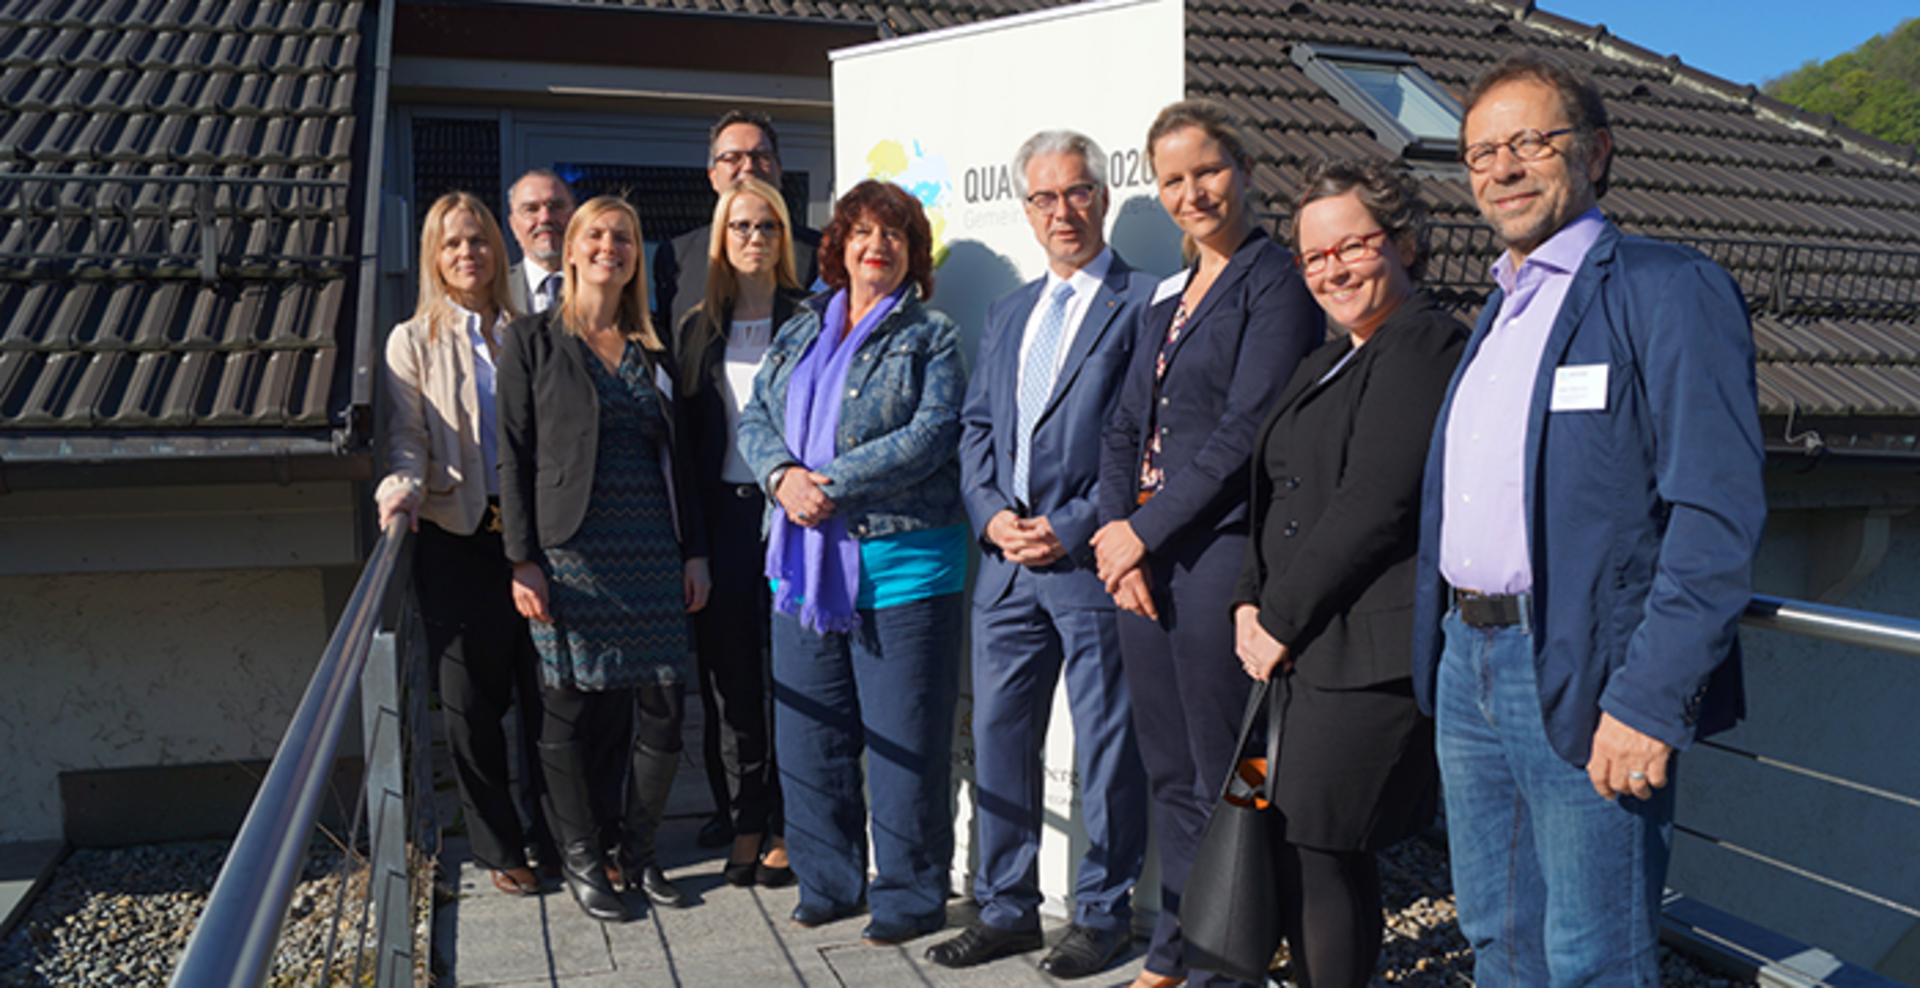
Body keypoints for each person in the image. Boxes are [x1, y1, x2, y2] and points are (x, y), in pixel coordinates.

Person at [1411, 53, 1766, 986]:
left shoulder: (1664, 288)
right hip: (1467, 658)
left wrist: (1650, 700)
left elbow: (1716, 514)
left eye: (1532, 141)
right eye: (1482, 152)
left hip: (1580, 667)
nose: (1503, 168)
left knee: (1592, 957)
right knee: (1496, 934)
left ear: (1597, 151)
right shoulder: (1499, 306)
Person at [1094, 100, 1323, 988]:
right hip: (1146, 564)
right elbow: (1121, 428)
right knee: (1170, 773)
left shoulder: (1277, 281)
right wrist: (1122, 538)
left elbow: (1247, 429)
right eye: (1173, 179)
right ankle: (1179, 948)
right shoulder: (1166, 296)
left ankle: (1235, 962)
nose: (1193, 192)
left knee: (1233, 777)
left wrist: (1140, 533)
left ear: (1246, 171)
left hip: (1219, 554)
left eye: (1208, 171)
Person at [1227, 158, 1463, 988]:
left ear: (1403, 243)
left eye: (1351, 247)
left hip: (1365, 655)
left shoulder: (1425, 343)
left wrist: (1277, 618)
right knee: (1289, 836)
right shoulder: (1328, 358)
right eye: (1313, 257)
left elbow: (1376, 503)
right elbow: (1271, 494)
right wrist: (1247, 601)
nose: (1332, 269)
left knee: (1323, 845)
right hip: (1292, 647)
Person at [932, 129, 1152, 979]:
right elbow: (978, 428)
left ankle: (1102, 916)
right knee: (998, 742)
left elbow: (1144, 442)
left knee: (1106, 750)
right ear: (1026, 209)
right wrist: (989, 517)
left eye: (1077, 192)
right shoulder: (1009, 311)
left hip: (1088, 561)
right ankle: (1006, 908)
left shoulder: (1143, 303)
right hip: (1004, 567)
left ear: (1101, 195)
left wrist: (1074, 520)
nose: (1063, 211)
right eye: (1044, 198)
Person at [736, 179, 967, 948]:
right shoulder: (800, 331)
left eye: (895, 235)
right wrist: (782, 478)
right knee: (811, 738)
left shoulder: (932, 337)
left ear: (912, 253)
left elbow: (933, 435)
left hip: (903, 566)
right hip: (802, 569)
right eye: (864, 232)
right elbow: (756, 416)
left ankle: (909, 893)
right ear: (840, 247)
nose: (879, 246)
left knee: (904, 743)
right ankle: (829, 881)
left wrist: (827, 484)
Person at [497, 195, 712, 923]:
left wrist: (695, 553)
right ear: (572, 248)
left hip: (651, 546)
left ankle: (639, 854)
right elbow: (513, 456)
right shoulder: (530, 341)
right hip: (571, 551)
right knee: (566, 705)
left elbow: (678, 464)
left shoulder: (652, 350)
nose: (609, 247)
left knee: (663, 709)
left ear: (633, 256)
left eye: (623, 236)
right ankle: (584, 861)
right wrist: (523, 558)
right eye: (596, 234)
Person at [374, 192, 546, 899]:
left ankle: (558, 830)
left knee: (548, 694)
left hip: (535, 538)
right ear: (433, 258)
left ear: (496, 250)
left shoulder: (530, 333)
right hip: (456, 539)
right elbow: (408, 434)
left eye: (477, 240)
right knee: (472, 707)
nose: (467, 253)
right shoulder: (410, 341)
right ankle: (499, 845)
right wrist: (402, 486)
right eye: (452, 245)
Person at [675, 176, 804, 889]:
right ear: (722, 239)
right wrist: (694, 546)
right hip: (723, 521)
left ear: (785, 238)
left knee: (796, 675)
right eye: (741, 227)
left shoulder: (813, 321)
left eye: (768, 227)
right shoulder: (699, 327)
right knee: (733, 683)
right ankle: (745, 815)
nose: (754, 238)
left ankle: (787, 822)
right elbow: (690, 452)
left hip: (790, 518)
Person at [655, 110, 822, 353]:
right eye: (732, 158)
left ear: (779, 171)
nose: (749, 166)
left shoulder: (821, 252)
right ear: (713, 176)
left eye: (761, 156)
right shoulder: (676, 256)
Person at [506, 169, 577, 315]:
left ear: (575, 216)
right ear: (514, 226)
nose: (545, 218)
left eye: (557, 207)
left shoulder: (603, 286)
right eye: (531, 209)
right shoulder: (496, 291)